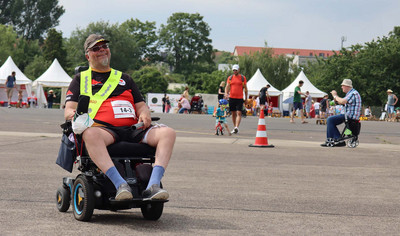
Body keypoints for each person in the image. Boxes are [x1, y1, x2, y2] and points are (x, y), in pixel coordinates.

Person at [64, 34, 176, 201]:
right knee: (90, 134)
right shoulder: (81, 79)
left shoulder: (125, 79)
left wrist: (144, 113)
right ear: (88, 55)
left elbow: (141, 106)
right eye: (96, 48)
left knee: (168, 133)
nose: (102, 50)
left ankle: (152, 186)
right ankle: (120, 185)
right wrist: (79, 119)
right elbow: (69, 111)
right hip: (103, 130)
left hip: (133, 129)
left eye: (104, 47)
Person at [321, 79, 361, 147]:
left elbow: (343, 101)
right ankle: (337, 139)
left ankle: (333, 139)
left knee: (330, 120)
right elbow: (341, 102)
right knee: (331, 120)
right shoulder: (351, 93)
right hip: (348, 115)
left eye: (342, 86)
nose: (341, 87)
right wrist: (336, 99)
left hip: (349, 116)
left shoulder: (353, 93)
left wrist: (335, 95)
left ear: (347, 86)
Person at [224, 64, 248, 134]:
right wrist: (226, 93)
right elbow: (227, 86)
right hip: (232, 97)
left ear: (239, 70)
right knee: (233, 113)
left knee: (239, 112)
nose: (235, 71)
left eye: (236, 70)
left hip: (240, 98)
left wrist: (246, 98)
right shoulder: (230, 78)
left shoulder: (243, 78)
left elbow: (246, 89)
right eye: (234, 70)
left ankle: (237, 127)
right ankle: (235, 128)